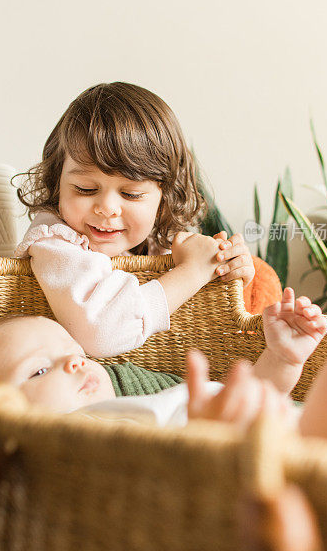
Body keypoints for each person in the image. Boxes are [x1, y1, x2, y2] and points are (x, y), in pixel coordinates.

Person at [0, 289, 327, 458]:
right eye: (40, 370)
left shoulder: (133, 405)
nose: (75, 362)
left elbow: (250, 398)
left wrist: (283, 359)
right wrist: (209, 444)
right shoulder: (75, 454)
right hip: (282, 469)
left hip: (291, 431)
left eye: (74, 352)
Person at [15, 82, 255, 358]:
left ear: (164, 198)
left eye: (131, 194)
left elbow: (198, 332)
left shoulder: (156, 244)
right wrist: (192, 272)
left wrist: (225, 277)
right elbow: (101, 333)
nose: (107, 208)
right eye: (85, 189)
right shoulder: (54, 241)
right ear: (57, 181)